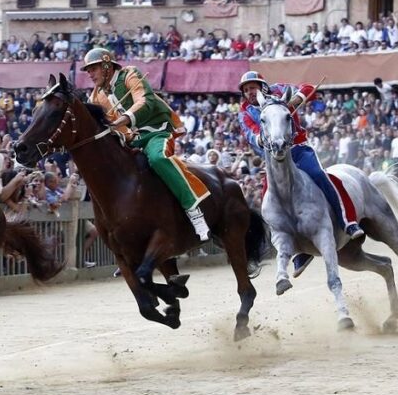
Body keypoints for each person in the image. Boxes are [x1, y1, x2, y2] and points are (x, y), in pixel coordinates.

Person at [238, 71, 363, 277]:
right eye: (247, 89)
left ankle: (347, 221)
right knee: (268, 199)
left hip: (298, 149)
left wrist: (295, 100)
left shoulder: (279, 90)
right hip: (274, 158)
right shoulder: (245, 111)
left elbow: (308, 89)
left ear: (262, 86)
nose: (251, 92)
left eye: (254, 87)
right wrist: (265, 138)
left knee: (320, 176)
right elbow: (250, 133)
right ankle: (298, 250)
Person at [81, 47, 211, 240]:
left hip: (157, 132)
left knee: (158, 159)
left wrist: (123, 120)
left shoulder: (129, 74)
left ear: (107, 66)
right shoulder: (95, 96)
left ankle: (194, 211)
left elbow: (145, 102)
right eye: (88, 70)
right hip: (132, 141)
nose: (89, 74)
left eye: (93, 68)